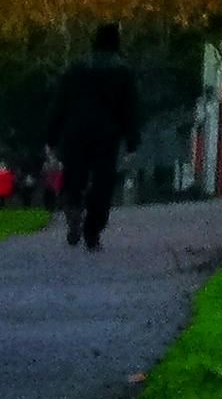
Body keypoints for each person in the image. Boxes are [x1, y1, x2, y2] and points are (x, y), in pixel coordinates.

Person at [41, 31, 145, 251]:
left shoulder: (75, 70)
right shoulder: (122, 72)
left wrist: (51, 136)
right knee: (103, 183)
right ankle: (93, 231)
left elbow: (59, 103)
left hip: (75, 132)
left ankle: (73, 206)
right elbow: (130, 109)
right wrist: (132, 141)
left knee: (74, 177)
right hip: (107, 135)